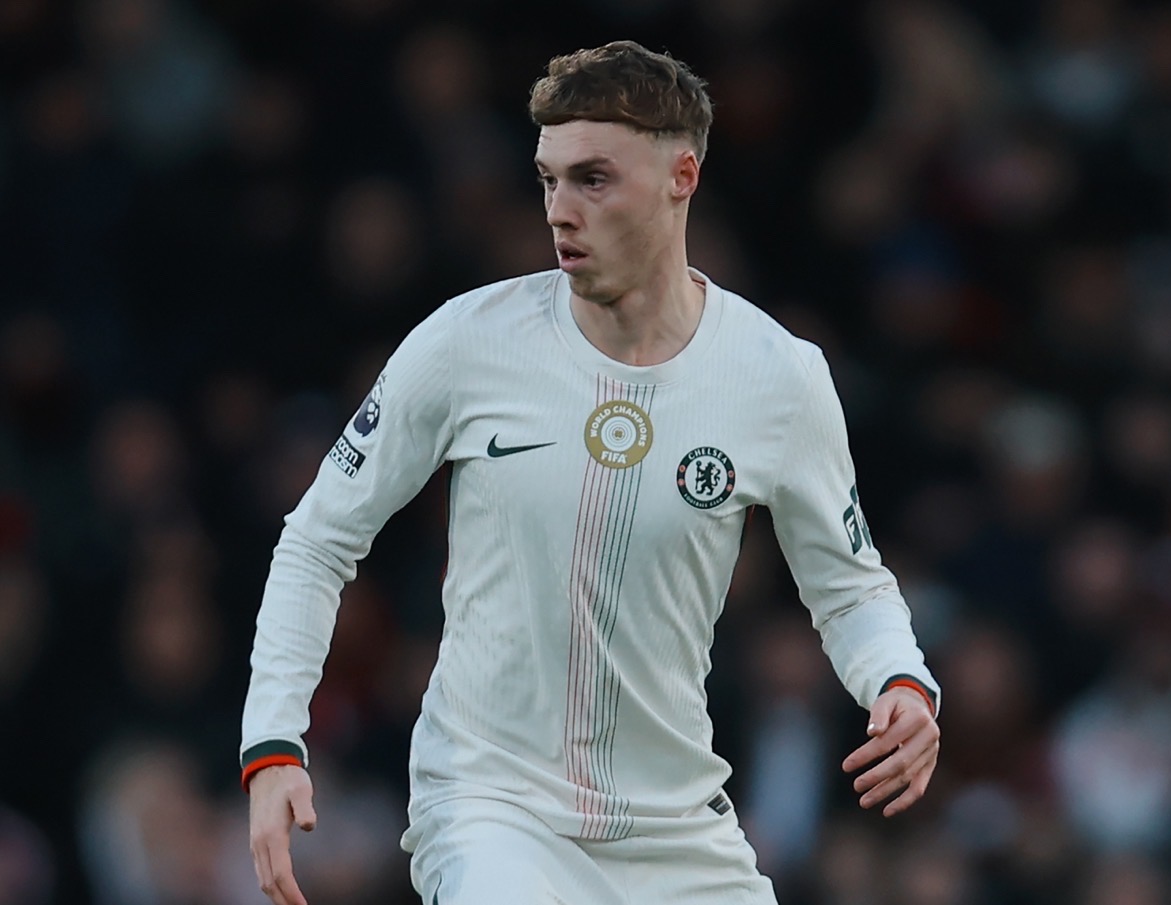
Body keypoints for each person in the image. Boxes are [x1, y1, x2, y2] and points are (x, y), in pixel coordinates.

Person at [241, 40, 941, 905]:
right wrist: (273, 742)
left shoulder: (777, 376)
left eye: (593, 179)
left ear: (682, 177)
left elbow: (850, 586)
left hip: (676, 829)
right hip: (493, 809)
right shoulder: (468, 341)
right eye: (549, 180)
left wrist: (900, 681)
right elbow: (318, 539)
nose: (559, 211)